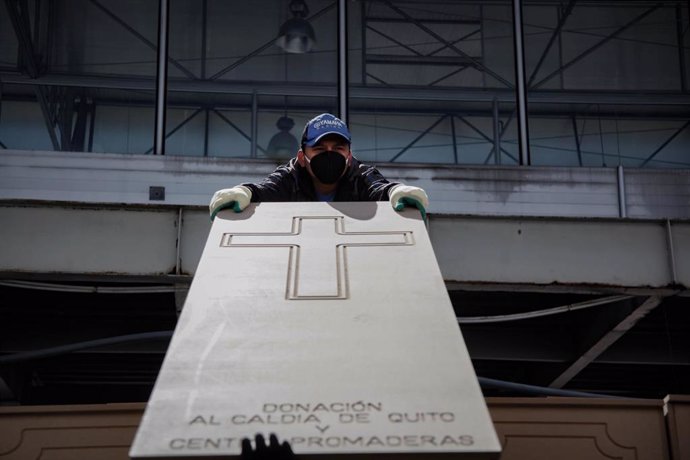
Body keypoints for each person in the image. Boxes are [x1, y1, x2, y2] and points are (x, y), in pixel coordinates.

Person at [209, 113, 429, 219]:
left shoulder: (359, 175)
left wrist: (396, 191)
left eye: (339, 148)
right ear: (302, 157)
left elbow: (379, 188)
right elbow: (266, 189)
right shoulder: (290, 177)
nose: (330, 155)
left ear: (349, 156)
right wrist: (243, 192)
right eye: (320, 149)